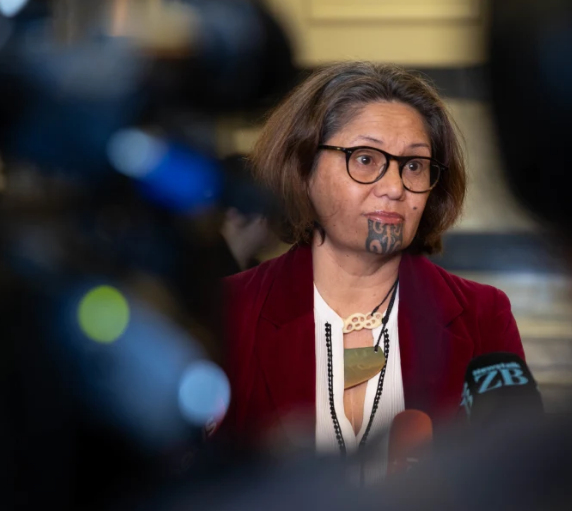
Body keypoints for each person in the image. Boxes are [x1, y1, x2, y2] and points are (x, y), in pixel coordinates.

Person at [221, 61, 524, 483]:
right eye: (365, 159)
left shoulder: (482, 315)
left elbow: (515, 480)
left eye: (414, 166)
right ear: (303, 166)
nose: (395, 187)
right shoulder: (228, 311)